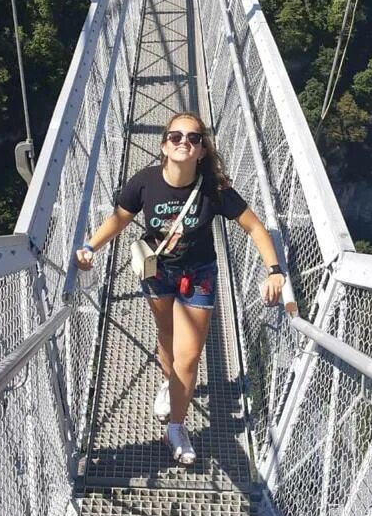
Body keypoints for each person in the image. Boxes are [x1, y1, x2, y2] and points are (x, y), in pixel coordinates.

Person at [75, 112, 286, 466]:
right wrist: (90, 247)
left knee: (188, 357)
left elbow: (255, 227)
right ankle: (168, 382)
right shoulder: (144, 183)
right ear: (164, 146)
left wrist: (274, 271)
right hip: (159, 273)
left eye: (193, 138)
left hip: (199, 274)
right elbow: (119, 220)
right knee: (166, 337)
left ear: (202, 150)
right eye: (175, 137)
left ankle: (176, 425)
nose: (184, 142)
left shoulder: (214, 190)